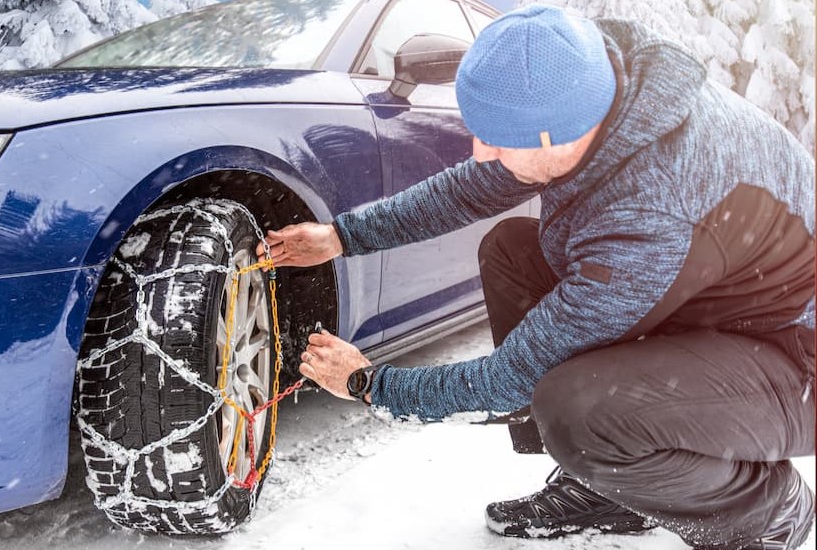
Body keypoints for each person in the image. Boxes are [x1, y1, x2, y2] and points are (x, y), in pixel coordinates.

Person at [256, 4, 816, 550]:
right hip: (711, 302)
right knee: (511, 252)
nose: (481, 150)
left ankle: (764, 512)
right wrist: (341, 236)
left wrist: (370, 385)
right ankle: (606, 489)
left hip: (794, 359)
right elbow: (470, 188)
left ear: (556, 134)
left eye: (498, 137)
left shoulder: (650, 209)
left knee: (578, 411)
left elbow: (512, 377)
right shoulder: (593, 94)